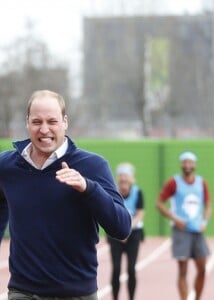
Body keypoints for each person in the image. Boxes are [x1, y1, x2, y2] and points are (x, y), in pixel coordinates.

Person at [0, 90, 132, 299]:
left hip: (76, 293)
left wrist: (88, 188)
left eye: (52, 121)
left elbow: (122, 227)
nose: (44, 129)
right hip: (22, 291)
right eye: (37, 121)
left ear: (65, 122)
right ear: (27, 122)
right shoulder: (6, 166)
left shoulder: (92, 166)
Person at [156, 151, 212, 300]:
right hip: (181, 231)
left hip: (198, 231)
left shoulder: (201, 182)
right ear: (181, 164)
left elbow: (208, 205)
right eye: (184, 162)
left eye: (190, 162)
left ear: (194, 164)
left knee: (202, 269)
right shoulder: (174, 182)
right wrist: (175, 218)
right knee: (183, 271)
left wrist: (205, 221)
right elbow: (159, 203)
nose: (187, 165)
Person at [107, 162, 145, 300]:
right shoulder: (112, 191)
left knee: (131, 269)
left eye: (126, 176)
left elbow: (140, 213)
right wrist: (119, 230)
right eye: (121, 175)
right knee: (116, 268)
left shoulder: (137, 192)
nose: (123, 179)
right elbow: (109, 213)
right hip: (115, 234)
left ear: (131, 178)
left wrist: (127, 229)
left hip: (133, 233)